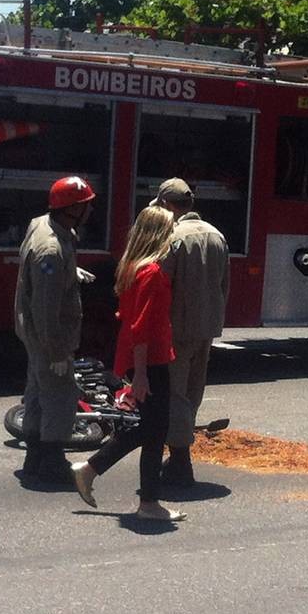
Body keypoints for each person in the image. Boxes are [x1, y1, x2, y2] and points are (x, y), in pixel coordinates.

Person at [70, 206, 186, 521]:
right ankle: (145, 502)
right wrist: (142, 375)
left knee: (151, 429)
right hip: (151, 361)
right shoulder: (152, 274)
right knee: (154, 430)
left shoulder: (134, 267)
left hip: (145, 360)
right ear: (160, 234)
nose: (174, 235)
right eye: (171, 229)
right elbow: (142, 328)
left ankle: (97, 473)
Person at [14, 175, 96, 484]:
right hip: (48, 337)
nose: (91, 210)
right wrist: (56, 350)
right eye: (86, 205)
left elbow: (40, 278)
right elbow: (45, 307)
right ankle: (51, 461)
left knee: (36, 395)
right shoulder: (51, 250)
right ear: (72, 209)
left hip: (35, 334)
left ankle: (34, 457)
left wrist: (68, 271)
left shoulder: (43, 225)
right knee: (61, 397)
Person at [150, 178, 230, 487]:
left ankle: (181, 461)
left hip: (177, 329)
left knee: (175, 394)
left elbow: (160, 285)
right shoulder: (217, 235)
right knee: (194, 391)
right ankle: (179, 453)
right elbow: (225, 285)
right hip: (207, 327)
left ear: (168, 205)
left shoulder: (172, 237)